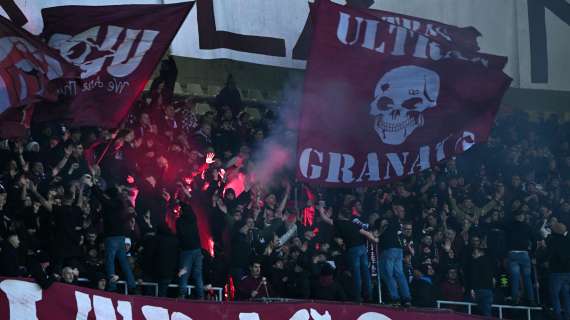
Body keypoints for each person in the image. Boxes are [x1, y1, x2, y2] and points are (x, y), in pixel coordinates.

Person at [319, 206, 378, 302]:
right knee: (365, 272)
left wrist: (321, 207)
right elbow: (366, 234)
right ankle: (368, 296)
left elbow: (324, 218)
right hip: (362, 248)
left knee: (357, 273)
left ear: (340, 215)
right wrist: (375, 240)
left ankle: (358, 297)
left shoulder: (339, 222)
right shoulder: (354, 224)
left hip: (353, 249)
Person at [93, 185, 137, 293]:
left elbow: (101, 198)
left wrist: (93, 186)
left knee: (110, 262)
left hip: (111, 237)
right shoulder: (121, 204)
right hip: (120, 237)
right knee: (124, 262)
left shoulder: (110, 204)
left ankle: (112, 287)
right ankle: (132, 285)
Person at [378, 204, 411, 306]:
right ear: (395, 211)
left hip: (389, 250)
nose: (403, 213)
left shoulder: (389, 220)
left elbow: (381, 231)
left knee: (389, 274)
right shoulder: (398, 222)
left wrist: (376, 234)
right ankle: (406, 298)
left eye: (403, 211)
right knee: (399, 274)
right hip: (398, 250)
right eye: (401, 211)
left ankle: (395, 298)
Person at [504, 209, 536, 305]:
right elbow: (534, 241)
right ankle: (531, 300)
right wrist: (532, 253)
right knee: (527, 278)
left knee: (515, 277)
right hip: (524, 254)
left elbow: (505, 239)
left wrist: (506, 252)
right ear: (522, 216)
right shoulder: (527, 226)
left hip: (512, 253)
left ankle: (514, 300)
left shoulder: (509, 226)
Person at [176, 198, 204, 299]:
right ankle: (200, 296)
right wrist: (181, 202)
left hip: (186, 250)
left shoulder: (179, 221)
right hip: (197, 249)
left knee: (184, 273)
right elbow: (189, 208)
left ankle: (182, 294)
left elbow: (179, 235)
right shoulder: (193, 218)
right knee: (198, 274)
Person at [545, 221, 570, 320]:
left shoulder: (552, 240)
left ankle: (558, 316)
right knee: (566, 295)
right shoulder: (568, 240)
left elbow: (550, 253)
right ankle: (567, 316)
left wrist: (545, 261)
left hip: (556, 272)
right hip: (568, 271)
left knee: (555, 295)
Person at [464, 245, 495, 316]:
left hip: (478, 290)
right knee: (487, 314)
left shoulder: (476, 262)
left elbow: (474, 276)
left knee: (464, 306)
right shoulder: (489, 263)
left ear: (481, 253)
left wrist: (472, 289)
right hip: (489, 291)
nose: (472, 255)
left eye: (474, 253)